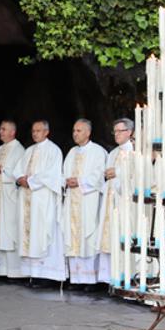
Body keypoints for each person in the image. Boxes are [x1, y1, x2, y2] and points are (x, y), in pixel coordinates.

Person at [16, 120, 66, 286]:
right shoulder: (28, 150)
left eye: (38, 130)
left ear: (46, 132)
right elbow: (17, 169)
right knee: (29, 234)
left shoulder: (54, 150)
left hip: (42, 199)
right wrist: (19, 178)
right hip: (28, 198)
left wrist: (30, 181)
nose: (35, 133)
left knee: (43, 232)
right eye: (33, 131)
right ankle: (32, 273)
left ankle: (46, 276)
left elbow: (52, 175)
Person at [62, 119, 108, 288]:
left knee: (88, 237)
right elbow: (63, 173)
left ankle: (91, 280)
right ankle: (76, 278)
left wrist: (80, 181)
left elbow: (98, 176)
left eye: (79, 130)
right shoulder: (72, 152)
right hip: (72, 200)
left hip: (88, 200)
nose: (75, 133)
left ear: (88, 133)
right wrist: (66, 181)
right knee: (73, 237)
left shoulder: (98, 151)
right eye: (74, 130)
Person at [0, 121, 27, 278]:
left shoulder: (19, 150)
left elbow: (20, 172)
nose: (0, 132)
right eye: (0, 128)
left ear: (13, 132)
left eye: (4, 129)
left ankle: (14, 272)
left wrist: (3, 170)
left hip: (10, 197)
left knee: (9, 233)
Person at [98, 118, 135, 285]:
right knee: (109, 238)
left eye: (120, 131)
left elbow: (137, 175)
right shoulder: (112, 153)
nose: (117, 135)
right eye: (115, 131)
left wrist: (118, 172)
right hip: (110, 200)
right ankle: (109, 279)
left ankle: (125, 278)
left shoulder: (135, 152)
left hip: (125, 202)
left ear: (130, 132)